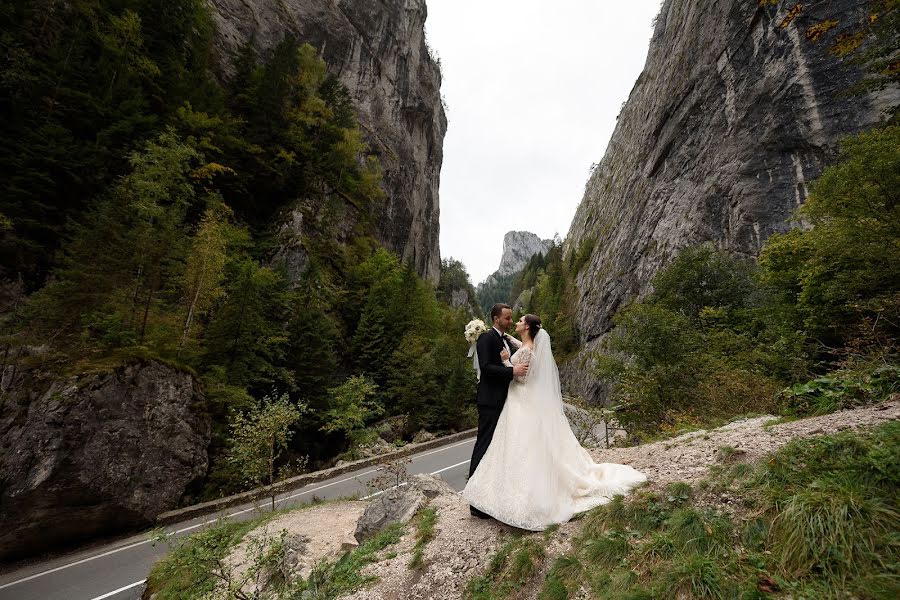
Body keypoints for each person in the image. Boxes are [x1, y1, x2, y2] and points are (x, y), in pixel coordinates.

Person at [463, 314, 647, 530]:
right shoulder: (526, 344)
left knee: (518, 444)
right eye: (513, 318)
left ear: (529, 327)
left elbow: (521, 377)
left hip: (519, 397)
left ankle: (517, 492)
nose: (516, 322)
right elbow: (518, 344)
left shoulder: (526, 350)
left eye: (520, 320)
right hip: (518, 398)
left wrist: (506, 361)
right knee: (517, 443)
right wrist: (511, 343)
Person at [468, 303, 528, 519]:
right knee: (483, 446)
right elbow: (486, 367)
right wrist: (513, 371)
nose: (510, 322)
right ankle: (475, 502)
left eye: (512, 318)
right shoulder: (486, 338)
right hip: (490, 401)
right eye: (507, 318)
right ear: (495, 319)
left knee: (495, 449)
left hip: (502, 400)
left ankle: (489, 497)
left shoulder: (503, 339)